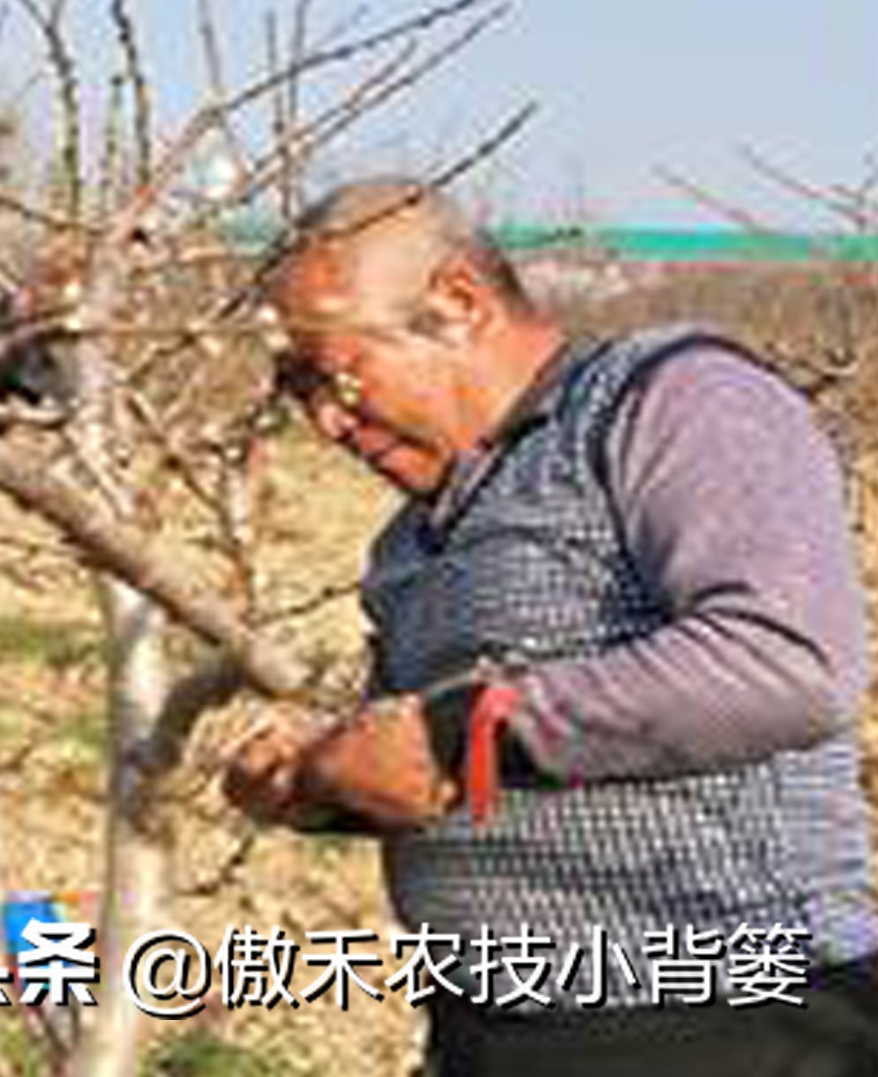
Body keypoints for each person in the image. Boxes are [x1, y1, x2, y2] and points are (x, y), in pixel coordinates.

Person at [224, 178, 878, 1076]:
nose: (326, 422)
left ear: (456, 303)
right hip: (496, 1029)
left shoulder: (670, 402)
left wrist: (457, 736)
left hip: (723, 1023)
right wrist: (326, 779)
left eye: (334, 374)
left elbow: (788, 660)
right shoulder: (412, 537)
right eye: (295, 390)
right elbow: (454, 777)